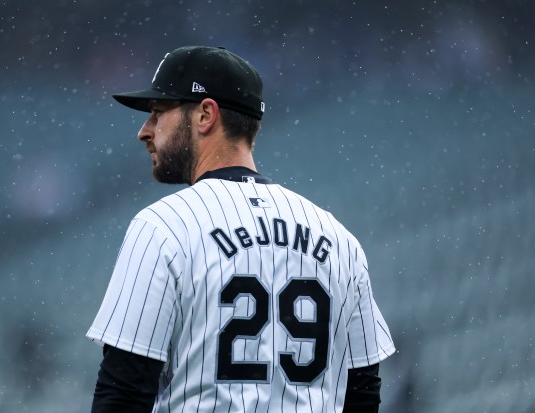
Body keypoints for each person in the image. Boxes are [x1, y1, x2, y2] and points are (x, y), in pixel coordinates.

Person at [86, 45, 395, 413]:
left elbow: (122, 392)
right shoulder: (339, 239)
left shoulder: (162, 227)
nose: (144, 131)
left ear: (205, 114)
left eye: (157, 113)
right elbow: (362, 391)